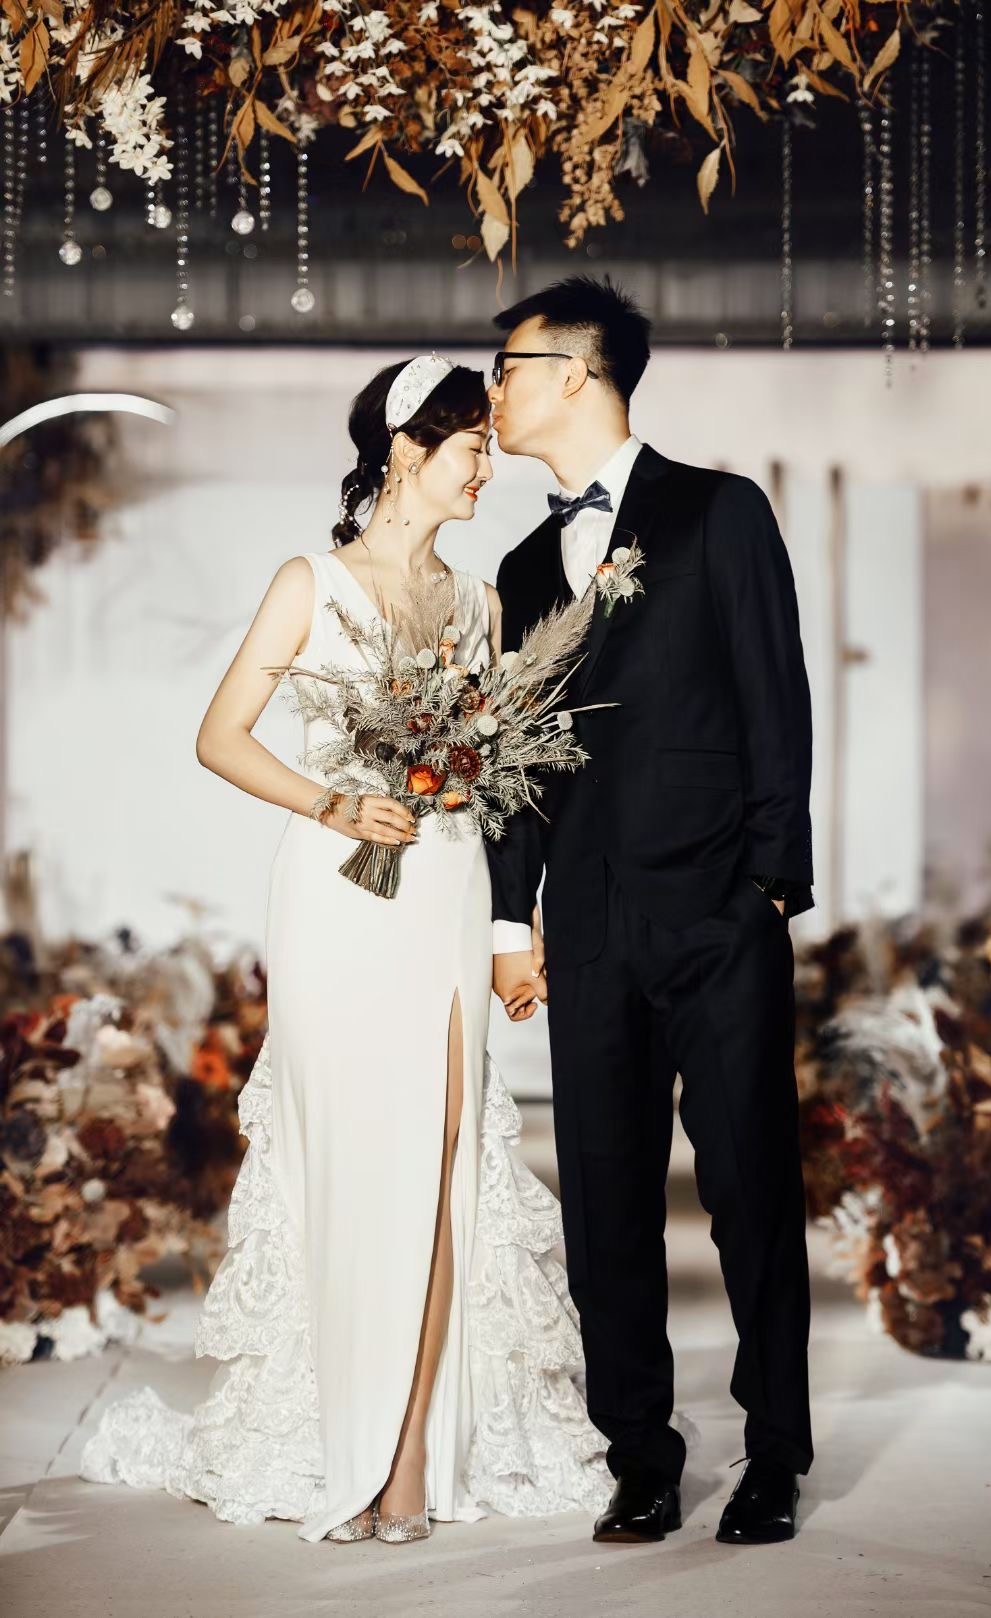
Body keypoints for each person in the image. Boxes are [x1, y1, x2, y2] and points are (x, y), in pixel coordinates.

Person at [79, 354, 610, 1543]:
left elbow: (502, 782)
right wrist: (334, 803)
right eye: (472, 449)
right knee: (348, 1160)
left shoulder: (478, 604)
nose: (486, 471)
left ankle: (407, 1449)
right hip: (335, 894)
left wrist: (506, 916)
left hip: (443, 886)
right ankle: (342, 1433)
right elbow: (220, 735)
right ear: (409, 451)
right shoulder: (308, 583)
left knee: (440, 1159)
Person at [486, 277, 815, 1547]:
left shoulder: (720, 511)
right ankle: (641, 1455)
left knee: (750, 1192)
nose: (494, 390)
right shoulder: (523, 567)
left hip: (719, 913)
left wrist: (768, 886)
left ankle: (776, 1454)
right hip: (590, 925)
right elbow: (515, 764)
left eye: (509, 366)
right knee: (605, 1203)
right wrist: (513, 917)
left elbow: (775, 698)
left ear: (576, 371)